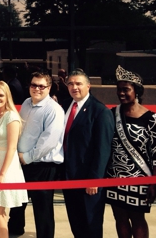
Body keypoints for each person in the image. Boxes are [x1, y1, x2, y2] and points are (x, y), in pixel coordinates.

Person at [105, 66, 156, 238]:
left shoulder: (151, 118)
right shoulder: (111, 114)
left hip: (140, 178)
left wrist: (154, 183)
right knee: (119, 218)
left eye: (126, 90)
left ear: (136, 91)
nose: (121, 93)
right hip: (114, 177)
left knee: (137, 218)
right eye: (119, 90)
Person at [8, 72, 65, 238]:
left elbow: (48, 142)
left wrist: (26, 157)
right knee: (17, 200)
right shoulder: (26, 103)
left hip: (43, 166)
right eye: (34, 85)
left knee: (43, 207)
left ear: (49, 88)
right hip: (22, 162)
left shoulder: (54, 110)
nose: (37, 89)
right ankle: (14, 229)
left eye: (42, 86)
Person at [61, 69, 114, 238]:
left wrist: (95, 179)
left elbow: (103, 149)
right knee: (76, 224)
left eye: (78, 83)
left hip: (88, 180)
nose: (74, 87)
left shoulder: (100, 111)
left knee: (91, 226)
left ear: (88, 86)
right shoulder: (64, 106)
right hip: (69, 178)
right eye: (70, 84)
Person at [0, 81, 28, 238]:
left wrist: (2, 174)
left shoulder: (11, 116)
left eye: (1, 95)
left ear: (7, 97)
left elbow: (12, 148)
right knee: (0, 213)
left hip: (6, 167)